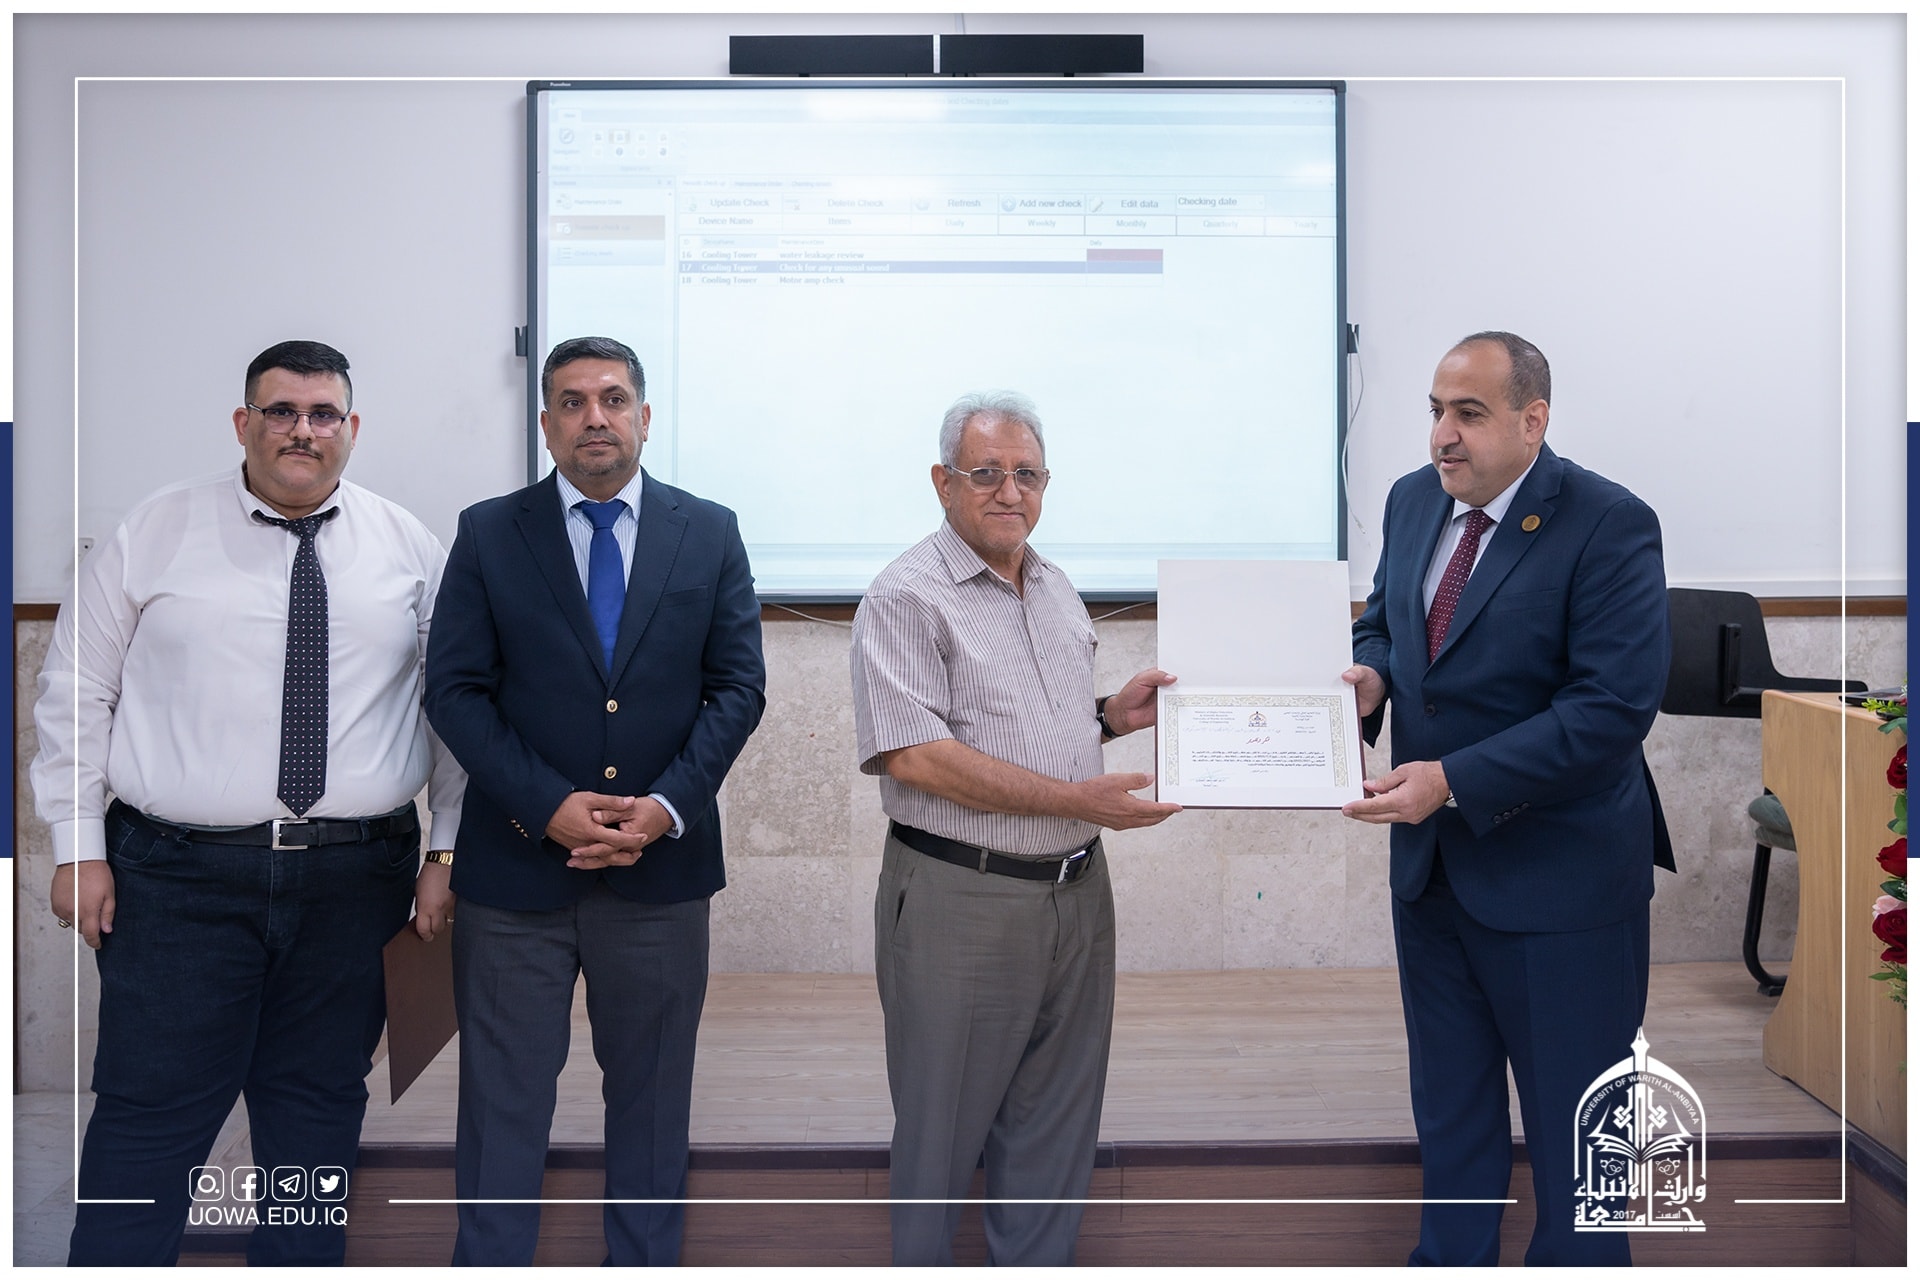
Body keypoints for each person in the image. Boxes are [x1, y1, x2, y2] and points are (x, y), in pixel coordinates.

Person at [31, 339, 465, 1265]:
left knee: (316, 1110)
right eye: (280, 412)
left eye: (322, 413)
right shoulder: (154, 530)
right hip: (175, 880)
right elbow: (76, 691)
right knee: (151, 1114)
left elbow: (452, 712)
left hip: (356, 879)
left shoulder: (409, 547)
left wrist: (444, 854)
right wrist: (77, 845)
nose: (302, 430)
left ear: (351, 428)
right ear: (243, 423)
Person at [423, 335, 765, 1266]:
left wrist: (666, 808)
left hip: (661, 876)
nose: (595, 418)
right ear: (546, 426)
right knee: (501, 1108)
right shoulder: (490, 532)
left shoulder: (710, 530)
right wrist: (545, 805)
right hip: (515, 878)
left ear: (644, 417)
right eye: (572, 403)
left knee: (652, 1107)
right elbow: (454, 690)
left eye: (613, 399)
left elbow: (739, 688)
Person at [1342, 331, 1673, 1265]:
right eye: (1435, 411)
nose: (1442, 435)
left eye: (1469, 414)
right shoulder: (1413, 499)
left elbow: (1610, 709)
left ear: (1534, 421)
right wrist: (1373, 677)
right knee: (1451, 1119)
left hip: (1561, 883)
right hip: (1433, 875)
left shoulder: (1610, 523)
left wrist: (1452, 780)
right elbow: (1383, 624)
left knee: (1579, 1143)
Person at [849, 390, 1180, 1266]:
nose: (1009, 491)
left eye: (1026, 474)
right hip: (962, 896)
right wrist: (1080, 800)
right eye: (985, 472)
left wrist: (1111, 716)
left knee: (1056, 1131)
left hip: (1077, 896)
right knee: (940, 1138)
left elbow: (1029, 721)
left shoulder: (1055, 585)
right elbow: (917, 757)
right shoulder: (905, 597)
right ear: (942, 482)